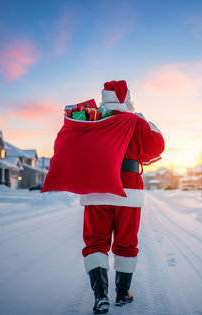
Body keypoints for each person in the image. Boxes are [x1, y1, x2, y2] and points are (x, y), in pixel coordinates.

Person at [80, 80, 164, 313]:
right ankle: (123, 293)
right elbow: (156, 147)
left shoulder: (93, 119)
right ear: (127, 98)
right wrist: (146, 121)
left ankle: (100, 296)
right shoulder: (136, 121)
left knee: (95, 242)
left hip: (97, 189)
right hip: (128, 189)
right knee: (126, 242)